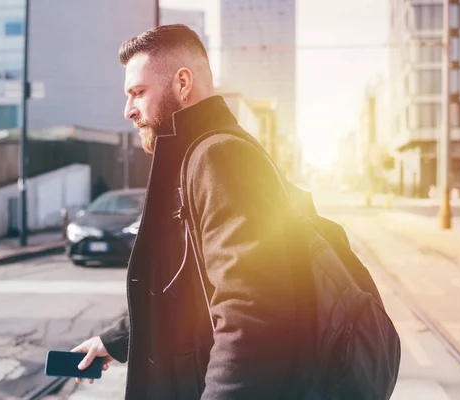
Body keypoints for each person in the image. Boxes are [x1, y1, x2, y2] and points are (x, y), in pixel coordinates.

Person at [72, 24, 312, 399]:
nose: (128, 110)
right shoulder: (198, 156)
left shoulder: (218, 156)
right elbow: (190, 294)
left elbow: (251, 313)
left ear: (183, 83)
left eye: (138, 92)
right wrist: (115, 340)